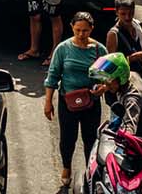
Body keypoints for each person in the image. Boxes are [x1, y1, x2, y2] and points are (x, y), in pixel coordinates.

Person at [44, 11, 111, 192]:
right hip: (68, 102)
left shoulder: (99, 50)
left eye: (86, 31)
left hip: (91, 103)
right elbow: (53, 76)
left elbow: (106, 78)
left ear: (91, 30)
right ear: (72, 27)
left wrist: (102, 88)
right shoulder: (63, 49)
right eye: (78, 30)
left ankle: (90, 171)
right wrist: (48, 102)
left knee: (91, 139)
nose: (82, 34)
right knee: (67, 138)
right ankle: (67, 167)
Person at [91, 51, 142, 153]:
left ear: (120, 78)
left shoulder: (132, 98)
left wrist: (122, 138)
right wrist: (105, 87)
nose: (106, 84)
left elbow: (130, 128)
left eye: (108, 80)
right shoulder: (131, 75)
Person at [106, 0, 142, 87]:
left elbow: (137, 48)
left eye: (131, 13)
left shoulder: (137, 26)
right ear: (116, 12)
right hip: (124, 86)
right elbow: (111, 65)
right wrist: (132, 58)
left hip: (140, 81)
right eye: (123, 14)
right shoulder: (113, 34)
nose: (128, 17)